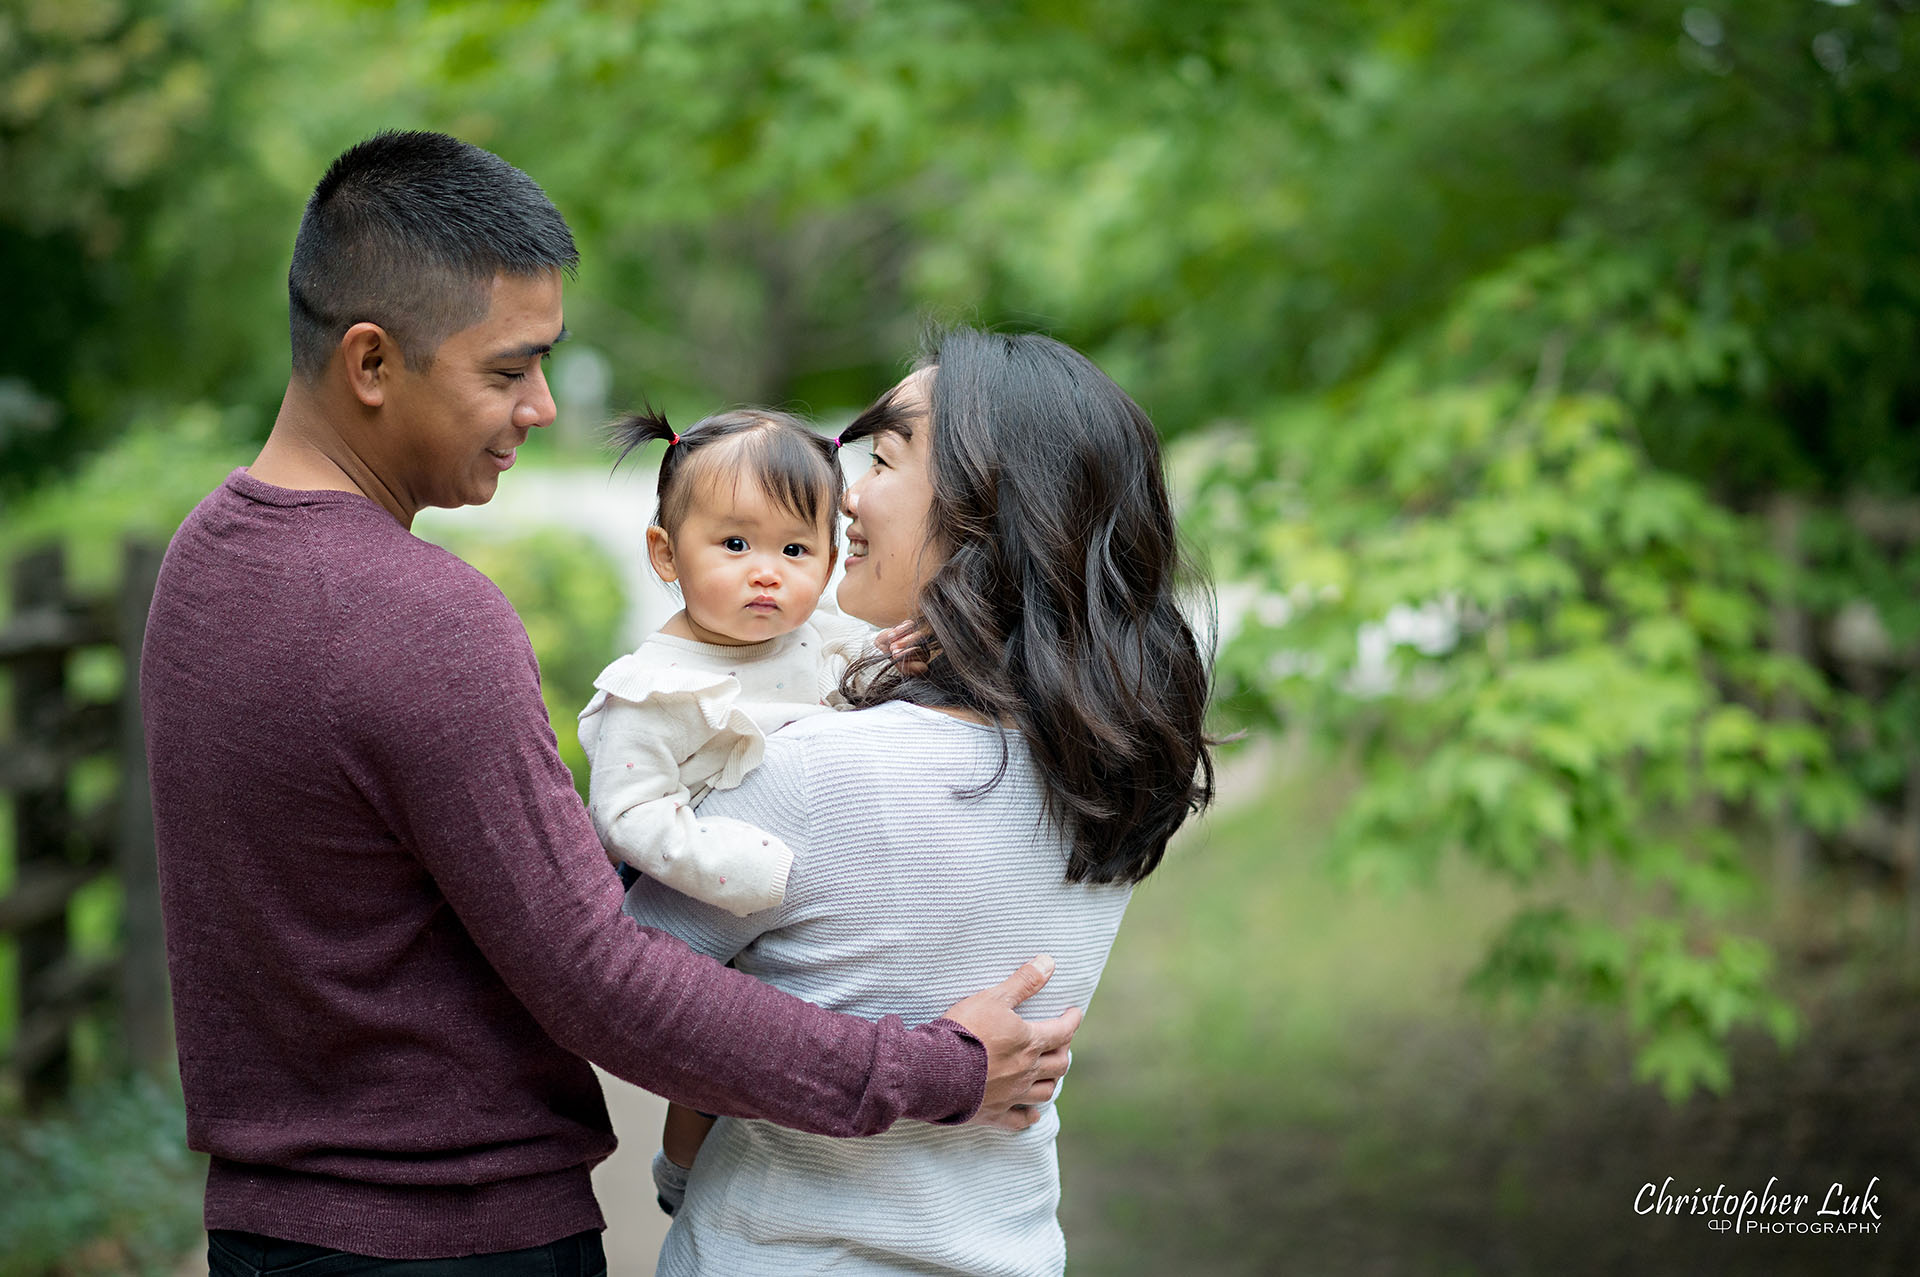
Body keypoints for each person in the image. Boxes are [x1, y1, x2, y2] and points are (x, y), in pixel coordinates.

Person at [139, 131, 1079, 1275]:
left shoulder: (203, 562)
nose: (541, 405)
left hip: (268, 1234)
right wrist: (936, 1070)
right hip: (458, 1237)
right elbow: (602, 976)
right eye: (505, 369)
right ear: (371, 361)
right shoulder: (423, 617)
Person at [627, 328, 1217, 1276]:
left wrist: (675, 1173)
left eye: (887, 456)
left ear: (987, 507)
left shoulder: (818, 770)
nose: (846, 497)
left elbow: (637, 992)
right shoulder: (1109, 777)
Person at [577, 406, 870, 916]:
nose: (766, 572)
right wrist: (746, 866)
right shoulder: (657, 688)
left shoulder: (825, 634)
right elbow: (625, 814)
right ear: (666, 553)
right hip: (697, 900)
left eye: (795, 549)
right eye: (736, 544)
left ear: (828, 563)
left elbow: (874, 685)